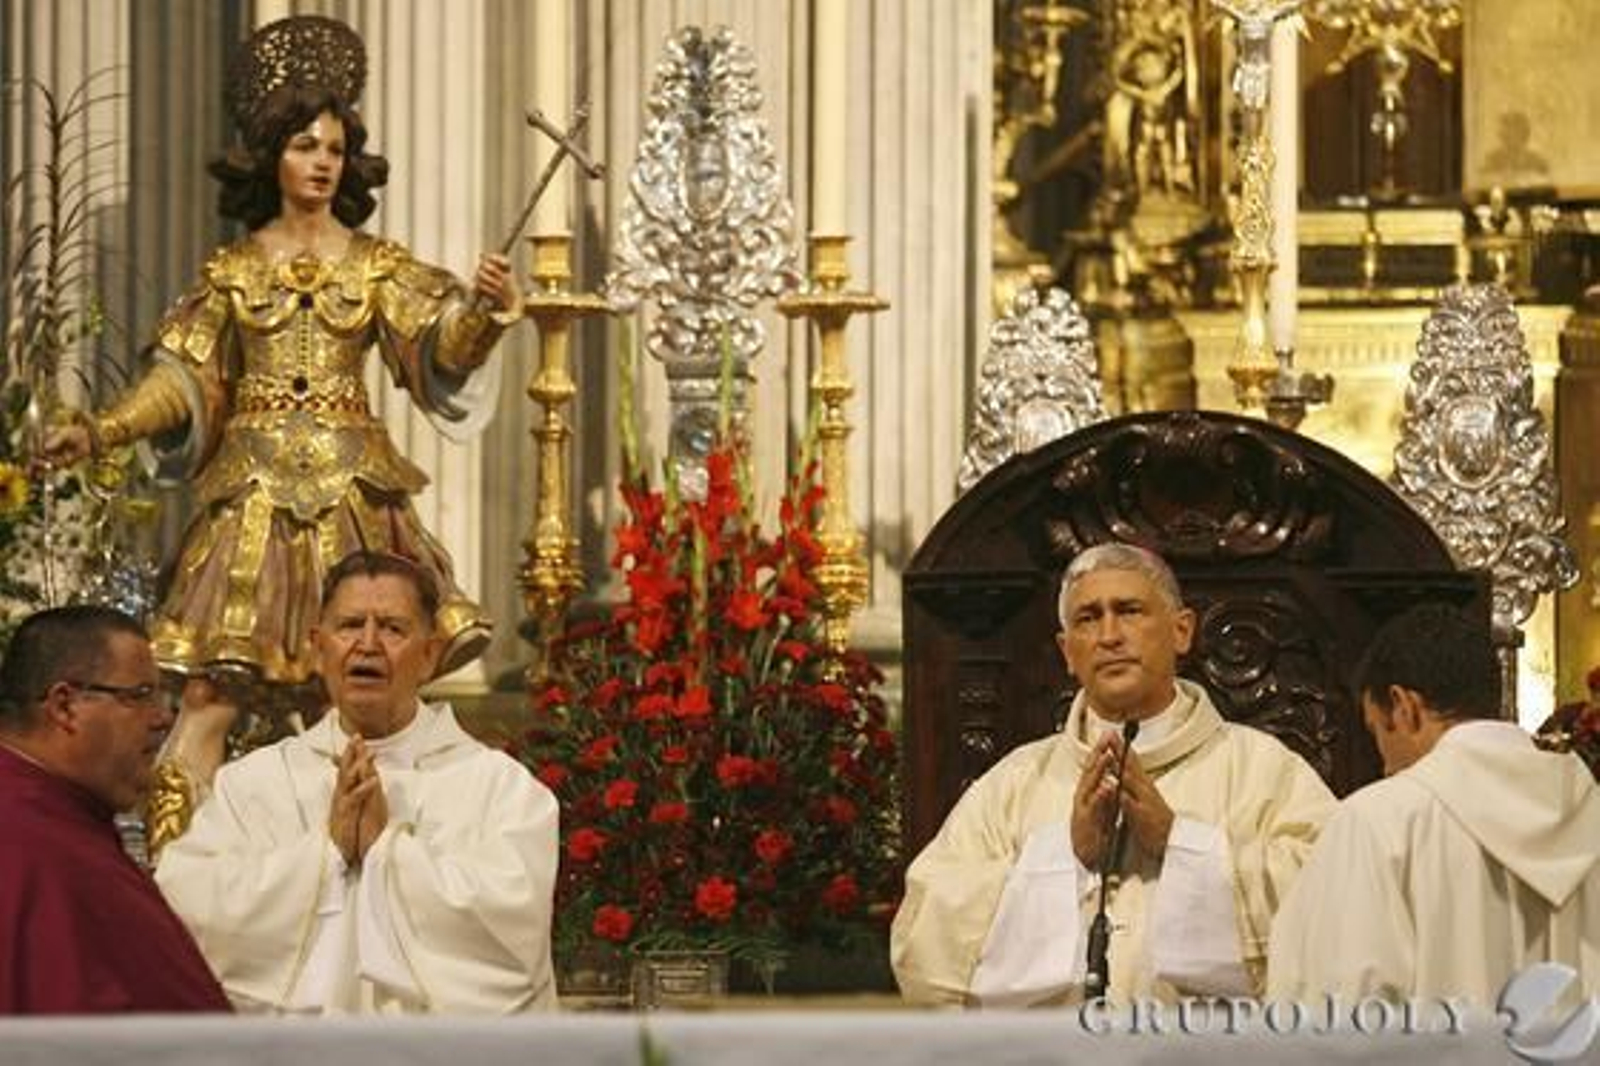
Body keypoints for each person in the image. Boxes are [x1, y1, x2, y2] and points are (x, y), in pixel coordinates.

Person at [44, 16, 516, 818]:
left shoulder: (376, 266)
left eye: (333, 148)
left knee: (361, 699)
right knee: (207, 699)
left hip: (354, 495)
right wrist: (101, 430)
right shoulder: (231, 272)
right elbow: (182, 382)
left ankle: (364, 865)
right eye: (305, 145)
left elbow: (438, 349)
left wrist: (488, 314)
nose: (323, 163)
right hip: (251, 505)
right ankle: (188, 876)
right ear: (272, 155)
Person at [891, 543, 1335, 1006]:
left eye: (1129, 611)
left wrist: (1179, 844)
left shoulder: (1264, 771)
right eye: (1087, 617)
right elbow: (925, 947)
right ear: (1067, 651)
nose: (1109, 635)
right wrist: (1066, 856)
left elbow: (1337, 901)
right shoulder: (1012, 784)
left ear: (1182, 631)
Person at [153, 552, 559, 1013]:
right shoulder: (252, 786)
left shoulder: (501, 790)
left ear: (429, 656)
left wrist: (389, 851)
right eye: (349, 626)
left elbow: (511, 929)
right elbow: (190, 907)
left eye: (392, 628)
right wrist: (325, 854)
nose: (367, 644)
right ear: (317, 646)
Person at [1268, 603, 1600, 1006]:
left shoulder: (1378, 822)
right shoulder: (1589, 811)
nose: (1387, 766)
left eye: (1377, 735)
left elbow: (1335, 1014)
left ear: (1404, 706)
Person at [0, 606, 229, 1013]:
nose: (161, 719)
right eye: (140, 696)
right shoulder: (36, 844)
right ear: (65, 707)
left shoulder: (64, 822)